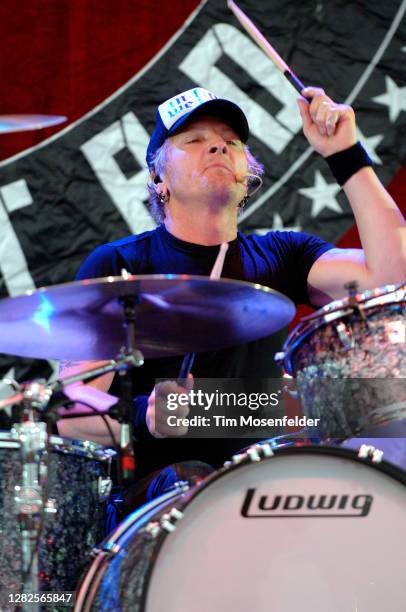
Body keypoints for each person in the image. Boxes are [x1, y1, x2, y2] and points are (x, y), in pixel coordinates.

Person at [57, 86, 406, 512]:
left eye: (232, 141)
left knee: (387, 416)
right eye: (193, 140)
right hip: (162, 504)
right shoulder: (120, 265)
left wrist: (346, 154)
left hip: (275, 485)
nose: (219, 145)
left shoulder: (285, 255)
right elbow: (73, 416)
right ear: (157, 177)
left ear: (247, 174)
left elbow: (394, 278)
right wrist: (145, 415)